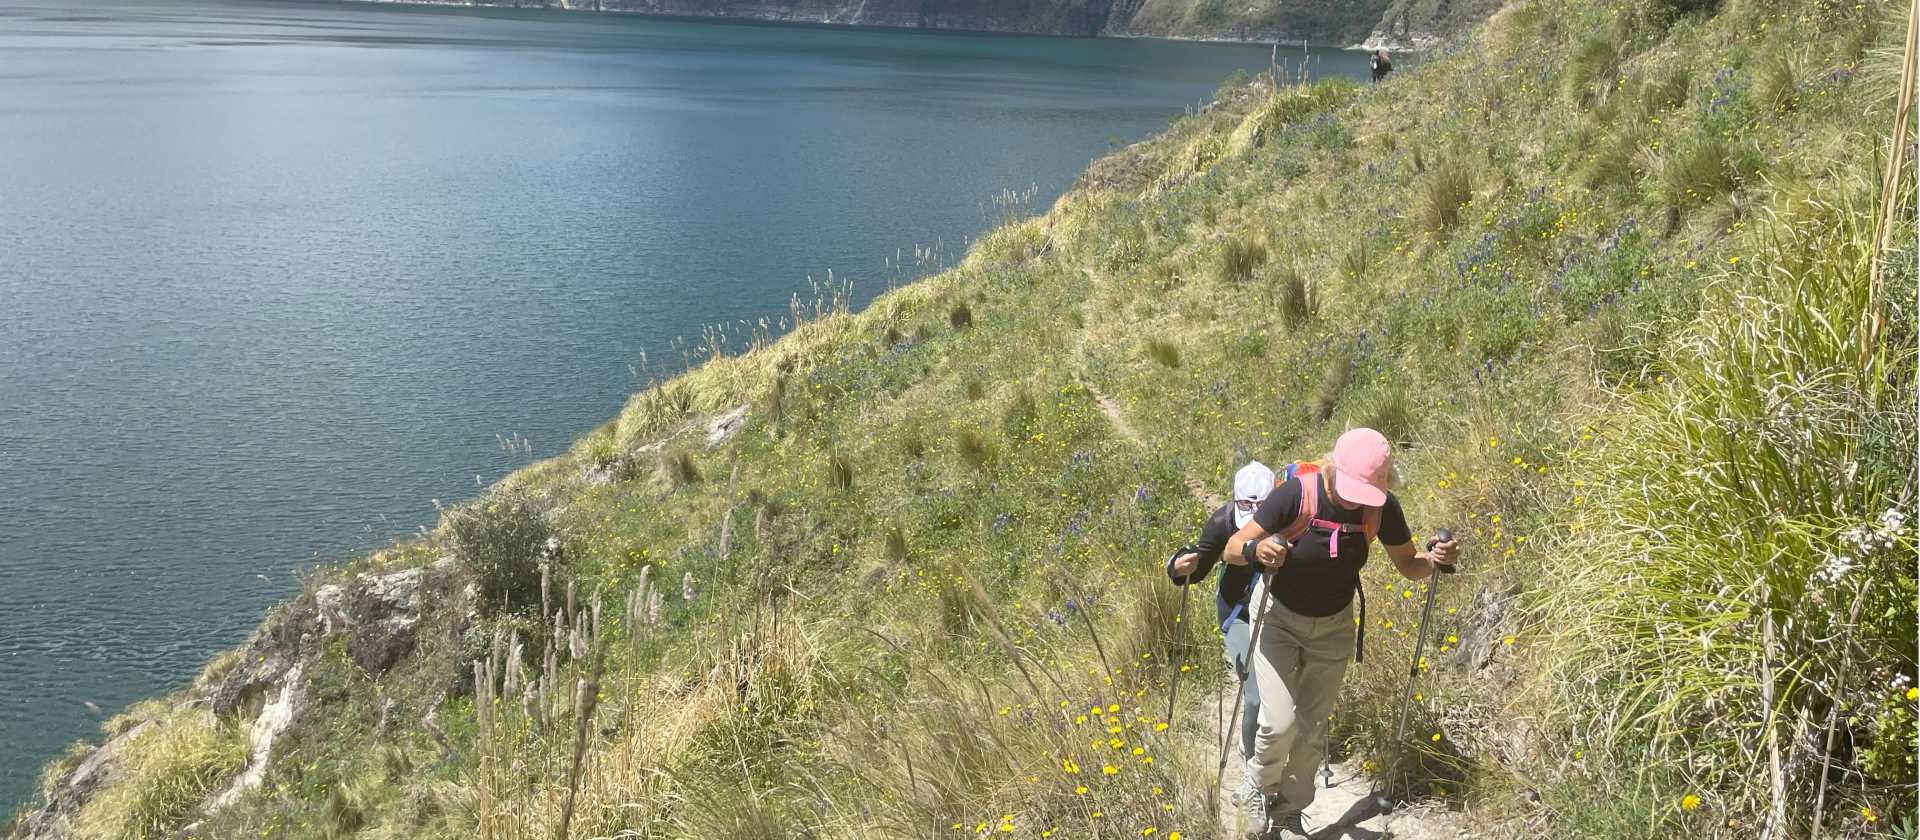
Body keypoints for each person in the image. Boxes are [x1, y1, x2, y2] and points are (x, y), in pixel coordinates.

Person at [1223, 428, 1460, 840]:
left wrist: (1435, 560)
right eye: (1352, 489)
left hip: (1334, 626)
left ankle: (1290, 810)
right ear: (1333, 468)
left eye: (1367, 491)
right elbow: (1233, 546)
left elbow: (1410, 564)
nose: (1355, 500)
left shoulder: (1382, 509)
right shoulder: (1296, 495)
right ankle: (1257, 790)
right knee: (1278, 722)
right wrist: (1255, 551)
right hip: (1277, 616)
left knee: (1313, 727)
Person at [1165, 461, 1278, 803]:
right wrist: (1177, 565)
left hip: (1280, 616)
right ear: (1235, 500)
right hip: (1238, 614)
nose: (1253, 514)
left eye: (1262, 508)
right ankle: (1252, 764)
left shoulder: (1290, 517)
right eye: (1246, 506)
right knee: (1256, 695)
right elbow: (1197, 565)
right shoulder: (1223, 521)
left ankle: (1278, 761)